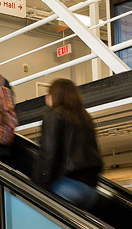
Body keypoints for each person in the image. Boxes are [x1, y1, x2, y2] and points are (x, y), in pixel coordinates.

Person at [32, 79, 102, 210]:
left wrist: (39, 187)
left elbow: (48, 153)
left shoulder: (53, 115)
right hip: (91, 191)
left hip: (67, 187)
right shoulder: (85, 117)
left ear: (54, 96)